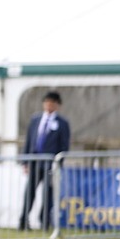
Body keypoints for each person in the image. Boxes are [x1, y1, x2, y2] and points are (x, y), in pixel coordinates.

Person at [19, 91, 70, 230]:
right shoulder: (35, 120)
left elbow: (64, 146)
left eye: (52, 103)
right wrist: (25, 161)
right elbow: (29, 141)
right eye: (47, 102)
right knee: (30, 192)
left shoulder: (62, 123)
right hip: (35, 161)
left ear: (57, 105)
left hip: (50, 164)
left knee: (48, 193)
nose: (49, 105)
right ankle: (24, 220)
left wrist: (58, 164)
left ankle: (44, 221)